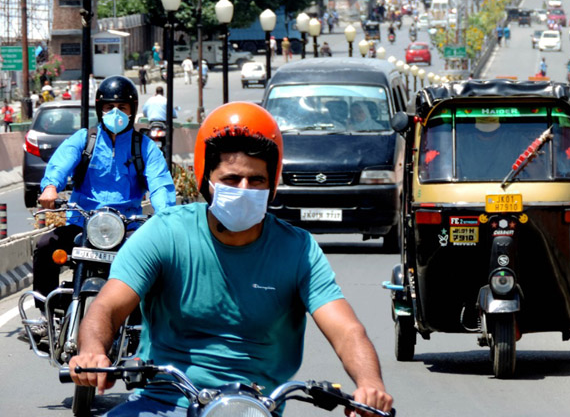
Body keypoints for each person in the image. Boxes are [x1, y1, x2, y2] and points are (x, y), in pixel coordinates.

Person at [66, 103, 393, 416]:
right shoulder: (165, 233)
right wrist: (93, 350)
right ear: (206, 179)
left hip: (256, 407)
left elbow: (346, 330)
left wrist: (370, 385)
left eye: (257, 180)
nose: (244, 189)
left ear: (272, 184)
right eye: (231, 180)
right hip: (162, 402)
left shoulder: (299, 250)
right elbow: (107, 306)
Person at [30, 77, 175, 342]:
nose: (115, 112)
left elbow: (160, 183)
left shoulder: (144, 147)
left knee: (156, 260)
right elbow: (61, 163)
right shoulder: (85, 139)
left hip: (127, 227)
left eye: (122, 107)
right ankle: (45, 316)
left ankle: (148, 325)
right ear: (100, 109)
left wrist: (165, 212)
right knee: (45, 245)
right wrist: (50, 187)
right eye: (109, 107)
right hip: (83, 224)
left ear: (132, 110)